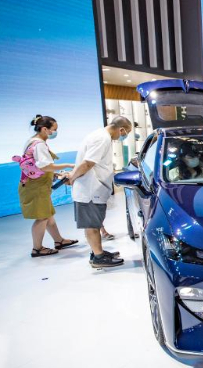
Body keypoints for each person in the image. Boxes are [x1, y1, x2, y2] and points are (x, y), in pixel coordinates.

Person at [68, 116, 132, 268]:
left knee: (94, 223)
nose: (123, 136)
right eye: (126, 133)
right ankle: (98, 257)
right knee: (92, 225)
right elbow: (88, 163)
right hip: (90, 189)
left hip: (93, 188)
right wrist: (72, 177)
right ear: (121, 129)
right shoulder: (102, 138)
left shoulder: (101, 136)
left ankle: (98, 251)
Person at [19, 115, 78, 257]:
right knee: (42, 217)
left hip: (36, 185)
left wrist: (56, 175)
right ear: (44, 129)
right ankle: (37, 249)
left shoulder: (32, 141)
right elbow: (45, 166)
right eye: (54, 129)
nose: (55, 132)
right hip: (36, 187)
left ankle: (59, 241)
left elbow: (37, 166)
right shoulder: (39, 144)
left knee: (48, 215)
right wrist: (69, 165)